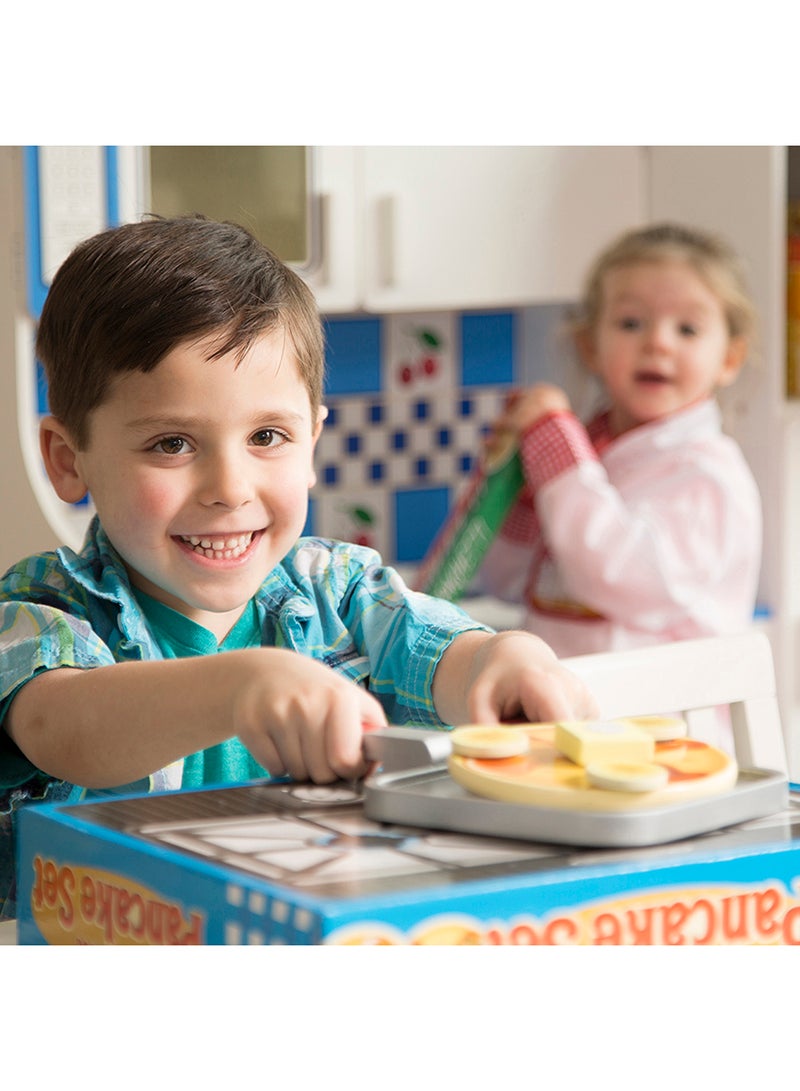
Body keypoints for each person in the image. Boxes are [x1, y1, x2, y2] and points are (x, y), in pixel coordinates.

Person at [0, 215, 595, 919]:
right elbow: (67, 730)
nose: (230, 485)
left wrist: (506, 658)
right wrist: (241, 684)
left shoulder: (337, 590)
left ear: (312, 440)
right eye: (170, 442)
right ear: (70, 459)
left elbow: (443, 654)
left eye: (267, 436)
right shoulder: (43, 609)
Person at [477, 222, 762, 658]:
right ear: (590, 346)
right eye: (631, 322)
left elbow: (620, 577)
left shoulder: (708, 474)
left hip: (665, 721)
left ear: (729, 358)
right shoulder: (586, 452)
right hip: (566, 712)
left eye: (687, 329)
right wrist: (522, 491)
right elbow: (505, 581)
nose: (658, 343)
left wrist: (558, 462)